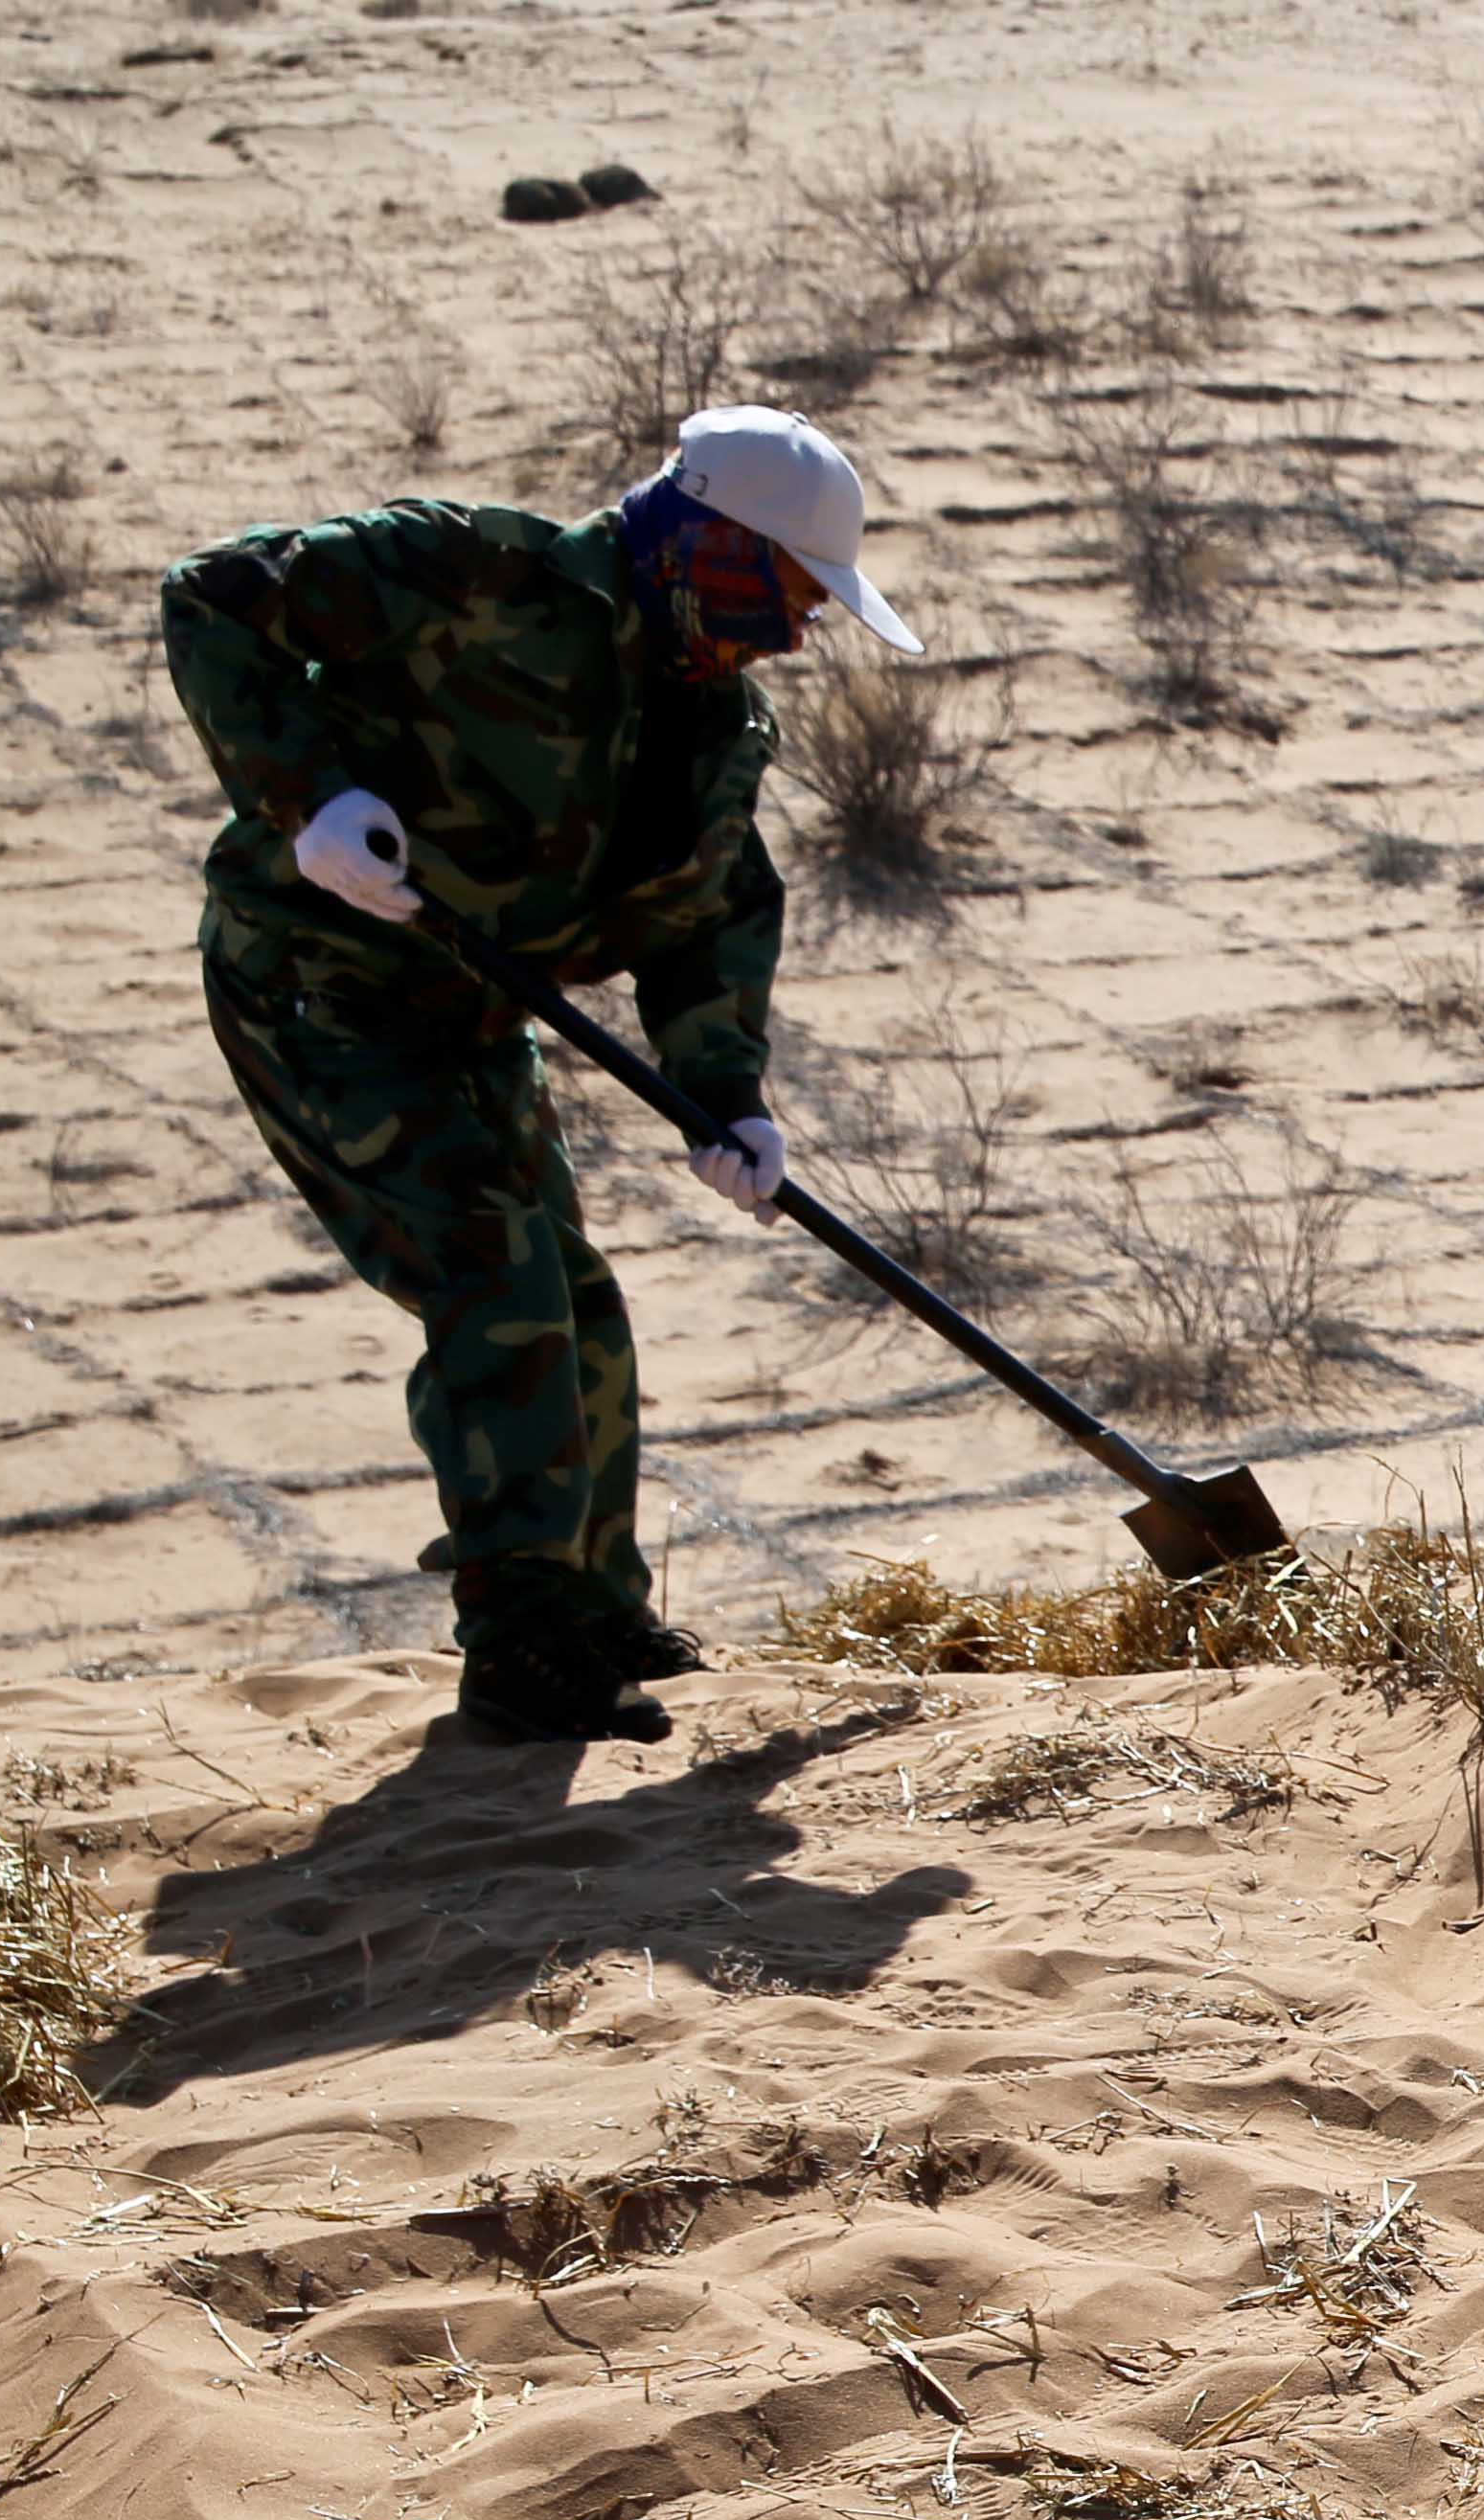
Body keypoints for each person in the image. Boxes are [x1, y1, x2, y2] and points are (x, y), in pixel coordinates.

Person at [162, 405, 921, 1745]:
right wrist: (310, 797)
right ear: (708, 551)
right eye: (784, 598)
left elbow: (712, 913)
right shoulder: (469, 572)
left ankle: (593, 1611)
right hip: (316, 989)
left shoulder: (708, 723)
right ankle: (520, 1650)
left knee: (576, 1300)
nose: (792, 639)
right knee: (492, 1278)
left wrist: (725, 1091)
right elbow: (217, 598)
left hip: (468, 1013)